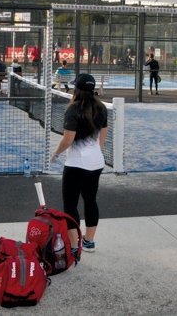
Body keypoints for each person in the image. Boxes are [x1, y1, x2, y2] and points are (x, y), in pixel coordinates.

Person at [51, 73, 106, 253]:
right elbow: (101, 141)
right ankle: (89, 242)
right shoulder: (102, 108)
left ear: (76, 89)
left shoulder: (73, 109)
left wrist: (56, 153)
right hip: (97, 163)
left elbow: (68, 140)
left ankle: (75, 246)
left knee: (70, 204)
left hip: (76, 164)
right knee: (91, 200)